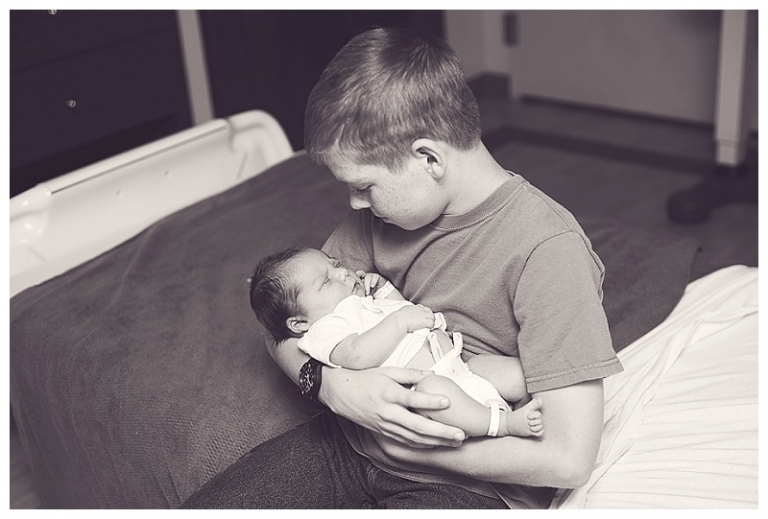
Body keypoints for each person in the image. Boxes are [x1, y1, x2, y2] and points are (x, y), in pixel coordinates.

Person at [181, 26, 622, 509]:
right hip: (347, 443)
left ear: (428, 158)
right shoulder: (381, 218)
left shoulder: (548, 250)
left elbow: (568, 458)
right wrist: (331, 387)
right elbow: (283, 322)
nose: (354, 202)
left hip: (470, 479)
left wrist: (409, 449)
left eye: (363, 186)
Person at [249, 246, 544, 440]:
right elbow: (356, 355)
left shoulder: (361, 302)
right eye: (326, 281)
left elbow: (400, 308)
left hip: (461, 367)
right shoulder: (324, 329)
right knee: (435, 393)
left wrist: (384, 290)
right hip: (427, 389)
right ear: (299, 323)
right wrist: (399, 322)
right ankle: (504, 425)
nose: (342, 272)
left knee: (513, 373)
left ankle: (540, 403)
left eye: (335, 264)